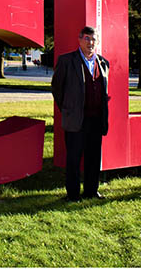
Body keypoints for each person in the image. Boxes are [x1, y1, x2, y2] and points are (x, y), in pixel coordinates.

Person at [51, 26, 110, 201]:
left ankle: (91, 191)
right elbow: (57, 89)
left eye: (93, 39)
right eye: (86, 39)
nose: (90, 43)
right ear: (80, 40)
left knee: (93, 158)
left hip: (97, 119)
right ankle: (73, 194)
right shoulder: (67, 61)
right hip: (76, 119)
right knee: (74, 159)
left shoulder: (103, 63)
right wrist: (68, 109)